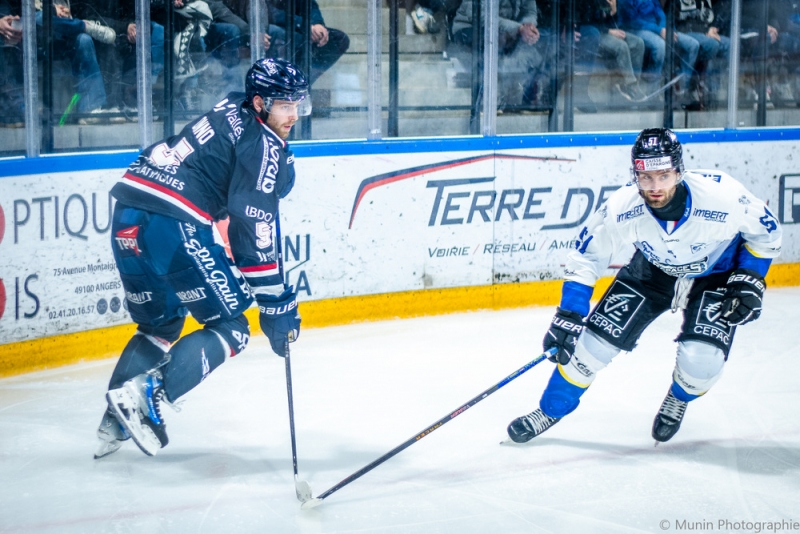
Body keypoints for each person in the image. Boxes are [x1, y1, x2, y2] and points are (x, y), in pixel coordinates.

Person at [506, 128, 782, 445]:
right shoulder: (622, 207)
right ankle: (550, 410)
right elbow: (586, 258)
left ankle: (679, 396)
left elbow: (767, 234)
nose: (654, 187)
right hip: (651, 273)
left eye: (663, 176)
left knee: (701, 364)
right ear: (635, 174)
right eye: (645, 177)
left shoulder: (723, 197)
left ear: (679, 171)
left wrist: (750, 276)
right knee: (591, 347)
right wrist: (569, 312)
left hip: (716, 276)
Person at [95, 58, 308, 458]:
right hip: (171, 221)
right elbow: (252, 229)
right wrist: (277, 303)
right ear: (261, 103)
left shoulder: (232, 105)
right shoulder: (261, 145)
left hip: (127, 214)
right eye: (285, 105)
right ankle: (145, 396)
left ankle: (115, 420)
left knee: (161, 324)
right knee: (232, 326)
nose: (294, 115)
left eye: (299, 104)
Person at [618, 0, 700, 97]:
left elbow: (660, 14)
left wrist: (664, 29)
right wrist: (659, 30)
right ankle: (652, 89)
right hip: (636, 30)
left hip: (658, 29)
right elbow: (632, 21)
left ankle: (682, 89)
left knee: (693, 45)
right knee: (660, 46)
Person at [267, 0, 349, 85]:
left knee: (339, 39)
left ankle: (302, 82)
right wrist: (305, 25)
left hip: (299, 30)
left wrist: (317, 23)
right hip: (279, 28)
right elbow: (272, 13)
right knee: (273, 32)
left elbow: (310, 4)